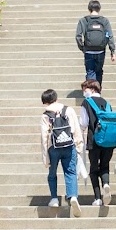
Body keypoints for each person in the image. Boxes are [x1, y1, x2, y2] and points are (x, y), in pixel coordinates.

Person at [77, 76, 116, 210]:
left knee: (93, 169)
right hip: (109, 141)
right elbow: (112, 123)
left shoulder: (86, 103)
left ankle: (98, 198)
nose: (84, 92)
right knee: (104, 166)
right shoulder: (107, 102)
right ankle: (106, 184)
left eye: (84, 89)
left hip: (95, 140)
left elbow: (83, 123)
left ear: (91, 89)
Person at [36, 89, 83, 217]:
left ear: (45, 101)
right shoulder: (69, 110)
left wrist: (45, 157)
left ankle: (54, 199)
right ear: (56, 98)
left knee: (52, 174)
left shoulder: (45, 115)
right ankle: (72, 196)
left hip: (53, 148)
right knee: (70, 172)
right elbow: (76, 129)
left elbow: (44, 137)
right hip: (69, 145)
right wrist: (79, 146)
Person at [75, 0, 115, 88]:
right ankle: (98, 92)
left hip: (89, 51)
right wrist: (112, 51)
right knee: (99, 71)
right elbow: (110, 36)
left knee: (90, 72)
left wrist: (83, 48)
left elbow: (78, 36)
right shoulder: (104, 21)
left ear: (89, 9)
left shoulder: (84, 20)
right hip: (100, 51)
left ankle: (91, 92)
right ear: (99, 9)